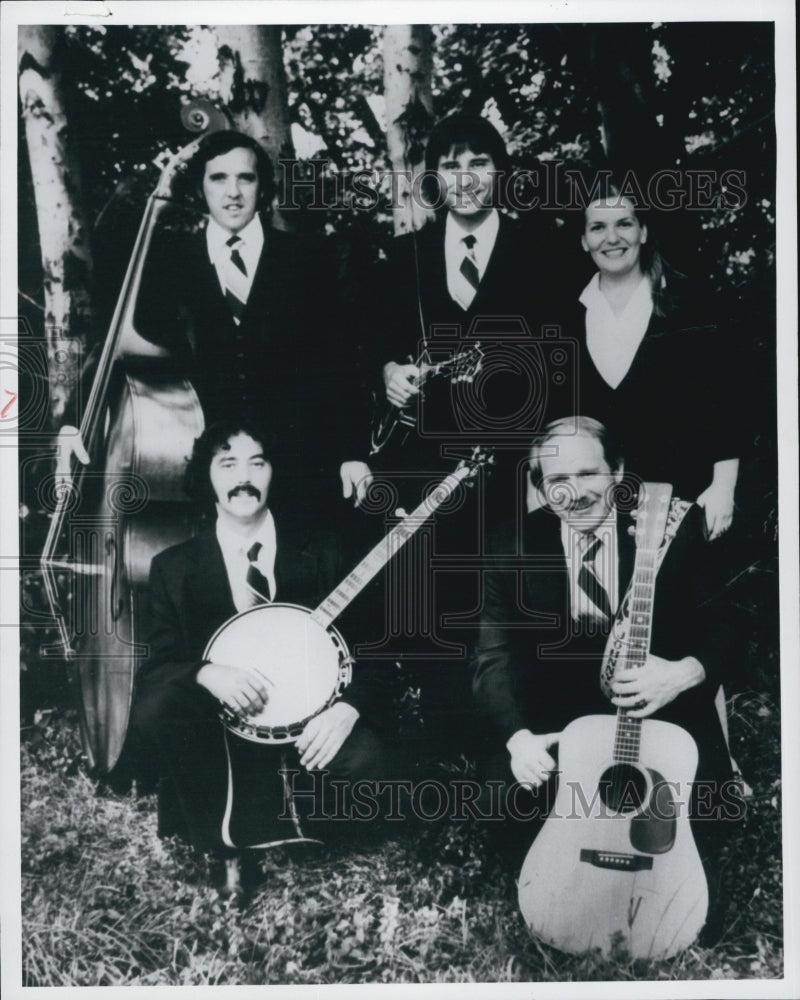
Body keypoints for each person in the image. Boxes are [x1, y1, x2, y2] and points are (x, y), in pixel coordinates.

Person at [473, 416, 739, 935]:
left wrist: (683, 673)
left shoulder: (668, 529)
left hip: (661, 712)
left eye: (588, 473)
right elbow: (493, 658)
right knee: (499, 802)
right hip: (558, 720)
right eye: (556, 482)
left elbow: (731, 627)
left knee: (711, 812)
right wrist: (519, 738)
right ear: (541, 490)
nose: (575, 494)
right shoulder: (511, 545)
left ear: (617, 471)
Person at [114, 418, 388, 893]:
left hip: (311, 726)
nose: (244, 476)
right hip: (220, 732)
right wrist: (206, 673)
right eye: (228, 463)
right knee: (158, 709)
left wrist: (348, 708)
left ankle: (308, 824)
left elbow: (376, 648)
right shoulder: (173, 567)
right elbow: (159, 671)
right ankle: (222, 845)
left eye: (257, 463)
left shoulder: (321, 549)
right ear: (207, 477)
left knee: (367, 763)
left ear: (272, 474)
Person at [55, 130, 370, 514]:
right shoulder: (168, 264)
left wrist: (353, 452)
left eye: (246, 178)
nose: (232, 192)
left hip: (299, 470)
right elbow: (120, 350)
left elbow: (341, 364)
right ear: (200, 187)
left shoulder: (309, 260)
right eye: (218, 178)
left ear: (263, 187)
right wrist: (74, 421)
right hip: (197, 478)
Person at [551, 181, 742, 541]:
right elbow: (560, 418)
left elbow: (726, 403)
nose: (612, 238)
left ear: (643, 231)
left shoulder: (691, 305)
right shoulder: (566, 320)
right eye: (598, 227)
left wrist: (723, 487)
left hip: (687, 504)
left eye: (624, 223)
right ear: (583, 240)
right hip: (601, 511)